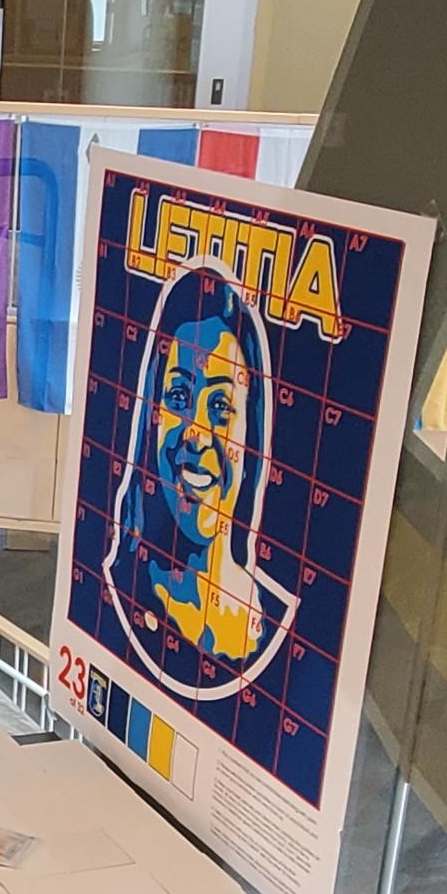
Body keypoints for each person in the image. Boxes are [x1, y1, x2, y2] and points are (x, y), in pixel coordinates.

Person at [106, 261, 297, 699]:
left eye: (222, 408)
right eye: (178, 396)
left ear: (253, 433)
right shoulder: (119, 590)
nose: (196, 433)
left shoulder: (280, 626)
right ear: (151, 415)